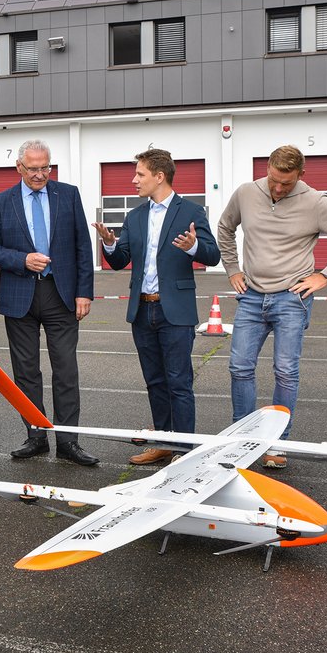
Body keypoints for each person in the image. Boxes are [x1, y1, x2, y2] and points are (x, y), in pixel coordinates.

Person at [217, 144, 327, 469]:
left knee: (285, 372)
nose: (278, 188)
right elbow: (225, 228)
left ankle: (276, 444)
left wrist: (325, 276)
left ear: (301, 175)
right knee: (239, 367)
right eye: (274, 180)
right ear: (268, 169)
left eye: (286, 183)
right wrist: (233, 269)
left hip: (291, 299)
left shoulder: (315, 202)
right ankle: (241, 439)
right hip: (252, 296)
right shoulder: (245, 193)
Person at [94, 149, 220, 465]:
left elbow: (212, 255)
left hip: (174, 310)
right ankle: (163, 441)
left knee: (179, 381)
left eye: (140, 174)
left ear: (159, 176)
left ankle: (184, 450)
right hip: (143, 310)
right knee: (155, 381)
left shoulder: (190, 211)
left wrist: (194, 247)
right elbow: (121, 259)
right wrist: (110, 244)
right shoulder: (134, 216)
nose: (134, 180)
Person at [0, 139, 99, 466]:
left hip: (61, 295)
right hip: (20, 297)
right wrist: (22, 259)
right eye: (32, 168)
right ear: (19, 167)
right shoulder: (1, 202)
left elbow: (82, 247)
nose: (39, 174)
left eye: (45, 167)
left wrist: (84, 291)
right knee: (26, 372)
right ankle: (35, 437)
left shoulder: (68, 195)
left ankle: (68, 443)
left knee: (65, 371)